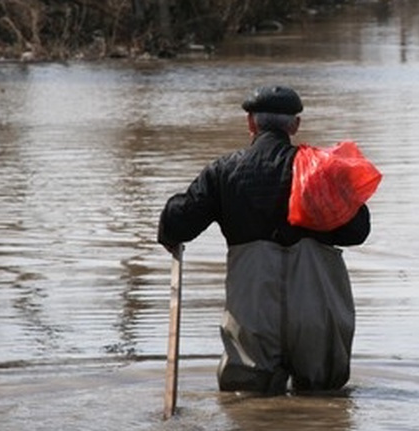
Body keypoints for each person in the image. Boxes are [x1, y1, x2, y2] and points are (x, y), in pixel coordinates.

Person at [157, 85, 371, 395]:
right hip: (316, 309)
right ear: (295, 125)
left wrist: (167, 228)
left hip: (252, 309)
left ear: (250, 123)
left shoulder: (224, 171)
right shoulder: (320, 173)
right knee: (324, 401)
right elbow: (357, 232)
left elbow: (179, 222)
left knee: (248, 402)